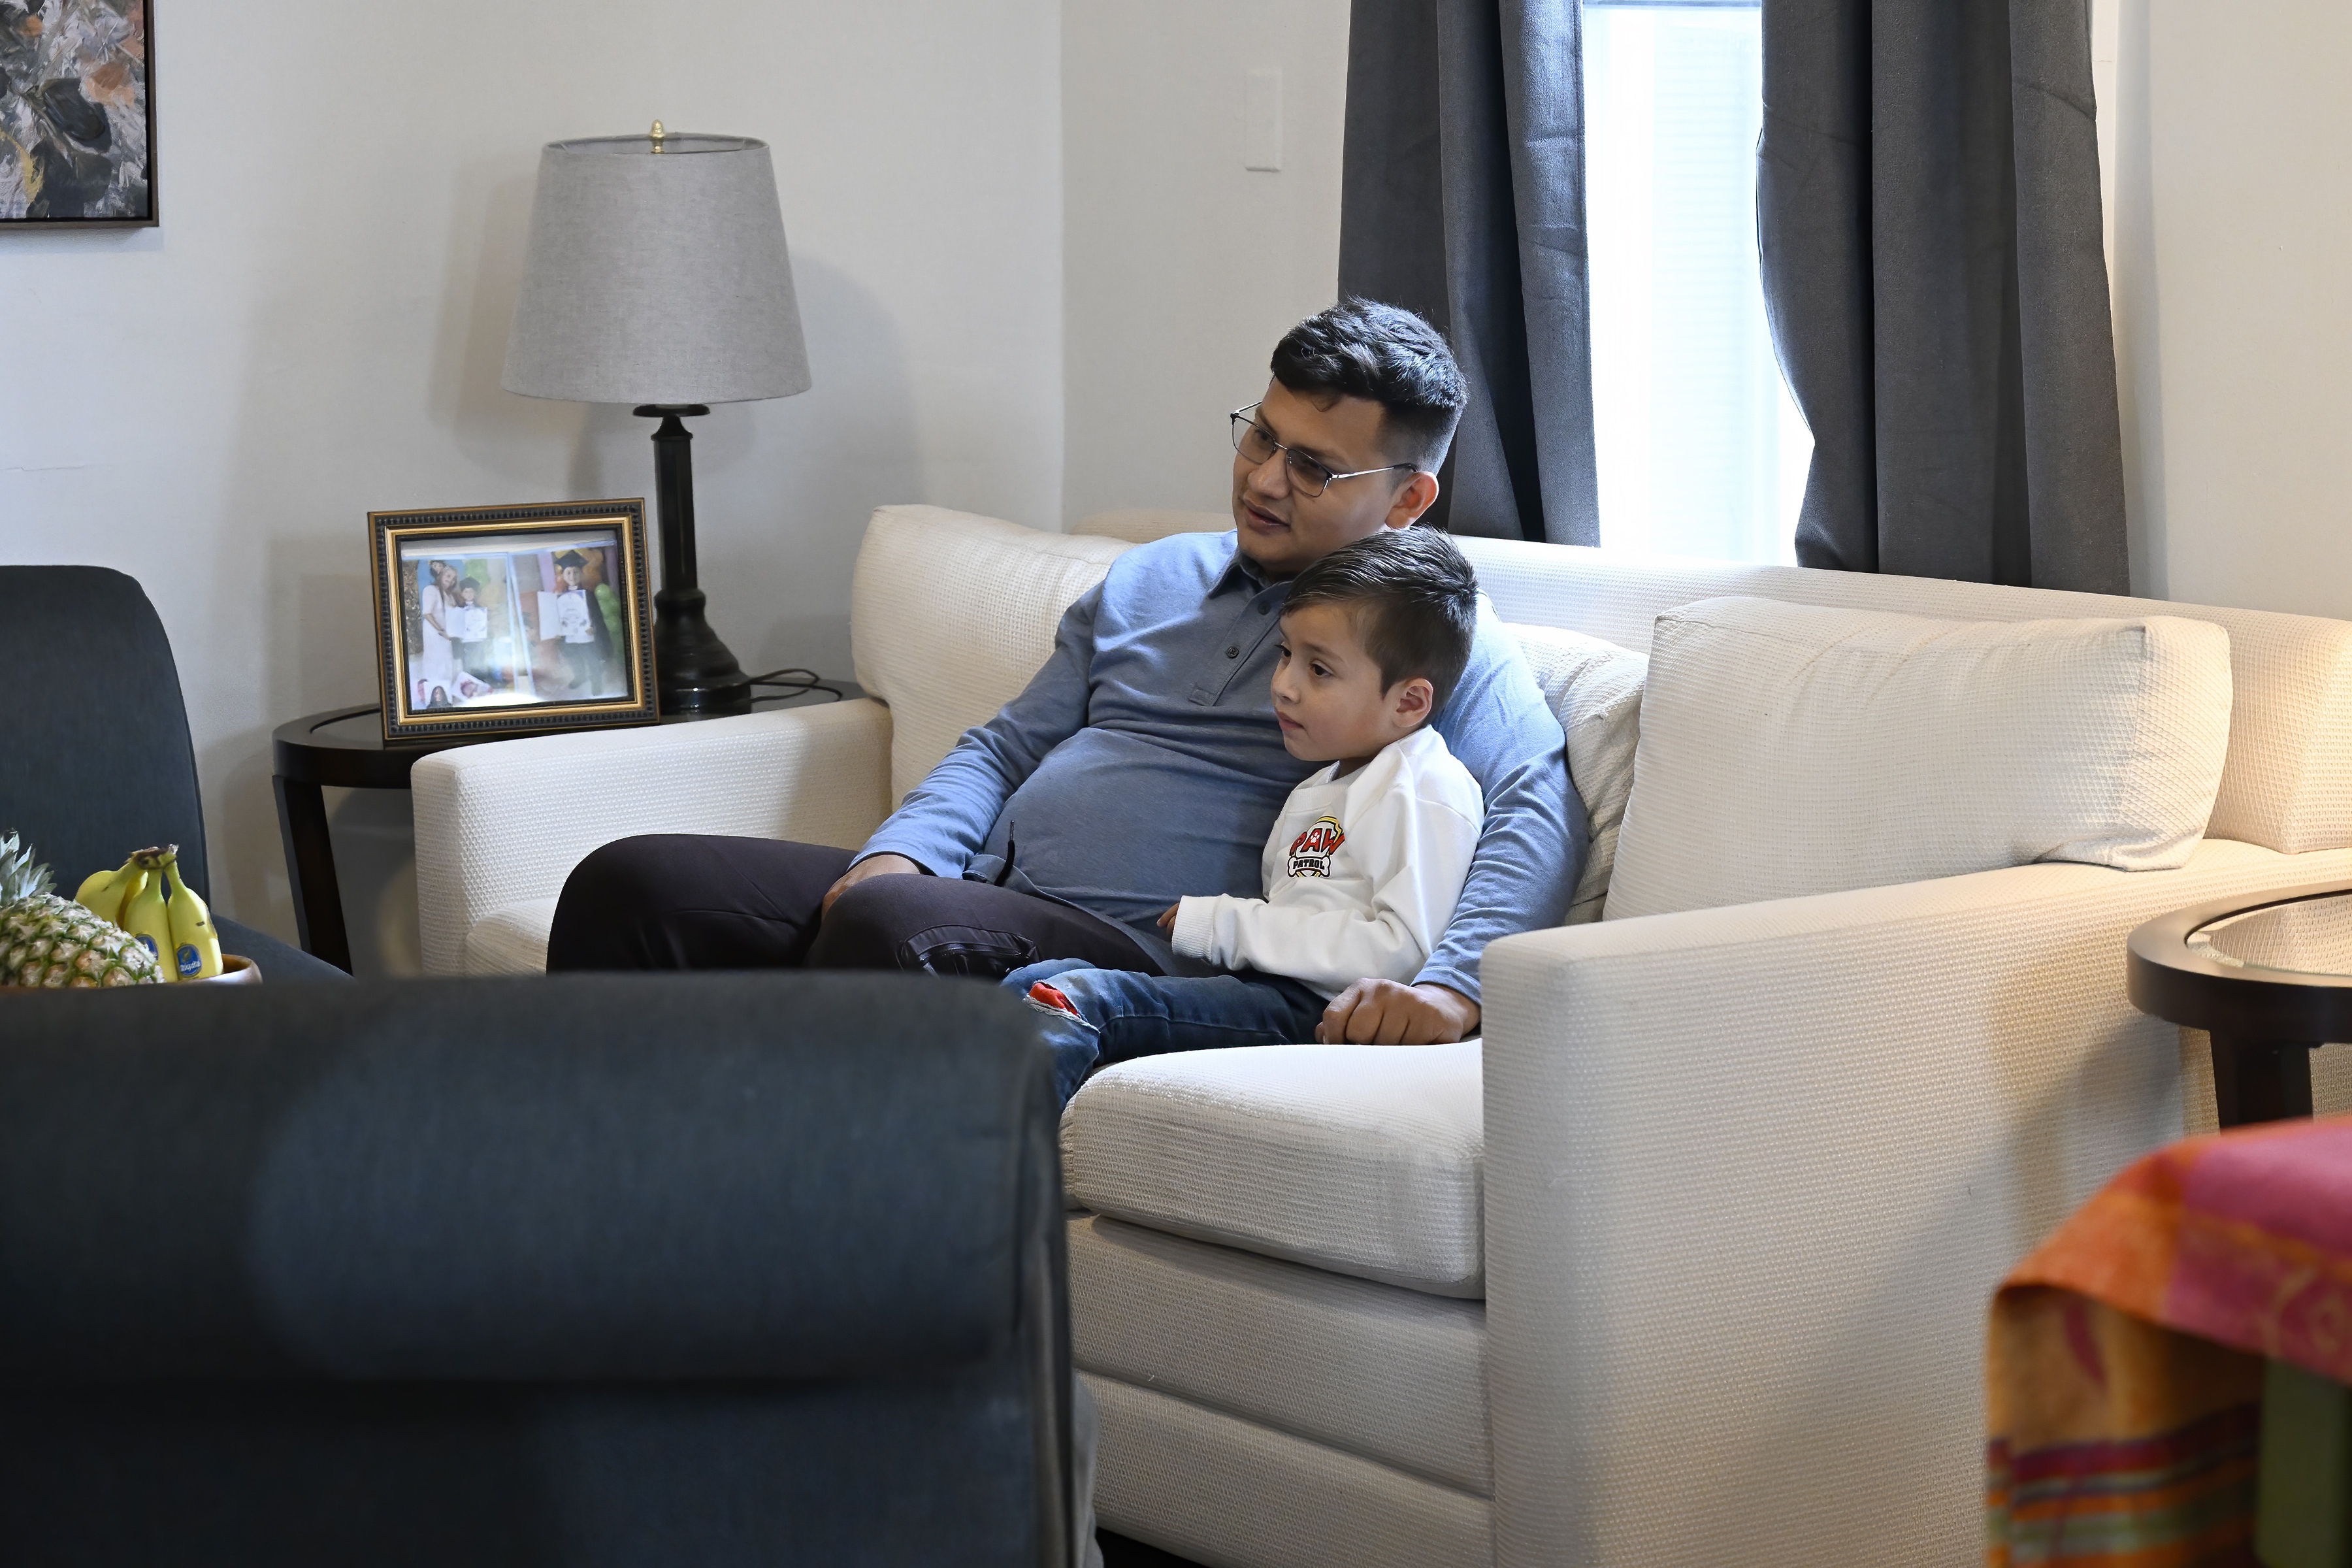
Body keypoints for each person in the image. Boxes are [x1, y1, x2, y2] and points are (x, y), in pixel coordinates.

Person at [547, 298, 1582, 1047]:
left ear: (1408, 502)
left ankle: (805, 1278)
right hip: (965, 897)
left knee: (892, 928)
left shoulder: (1432, 641)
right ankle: (597, 1254)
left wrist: (1453, 988)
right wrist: (902, 852)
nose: (1265, 480)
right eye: (1262, 436)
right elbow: (1005, 746)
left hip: (1135, 956)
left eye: (1314, 467)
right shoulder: (1152, 578)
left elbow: (1537, 806)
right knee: (633, 884)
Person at [1005, 527, 1484, 1102]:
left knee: (1079, 1001)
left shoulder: (1422, 784)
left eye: (1320, 670)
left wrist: (1226, 926)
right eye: (1287, 655)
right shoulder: (1323, 783)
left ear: (1409, 701)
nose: (1282, 686)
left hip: (1315, 1014)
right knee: (1028, 986)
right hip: (1262, 994)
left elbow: (1402, 951)